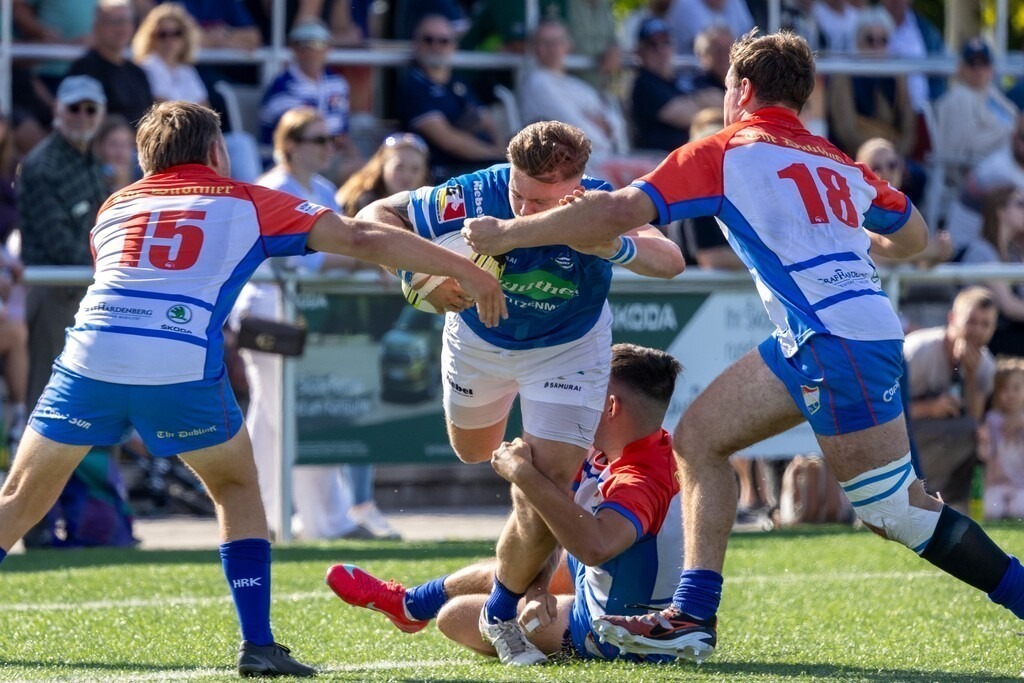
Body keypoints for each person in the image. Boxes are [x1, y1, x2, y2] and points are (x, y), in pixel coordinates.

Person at [463, 30, 1024, 661]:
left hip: (834, 342)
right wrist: (848, 244)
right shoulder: (839, 161)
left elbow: (618, 210)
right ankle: (691, 618)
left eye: (728, 86)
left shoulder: (725, 149)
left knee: (898, 513)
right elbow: (914, 236)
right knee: (699, 439)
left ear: (743, 89)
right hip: (837, 332)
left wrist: (507, 233)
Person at [0, 100, 505, 676]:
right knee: (236, 487)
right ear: (216, 152)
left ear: (145, 160)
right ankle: (258, 645)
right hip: (178, 361)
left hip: (91, 356)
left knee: (20, 497)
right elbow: (361, 237)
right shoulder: (245, 199)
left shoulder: (116, 204)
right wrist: (466, 269)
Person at [358, 119, 684, 665]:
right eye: (519, 194)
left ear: (576, 184)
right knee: (473, 450)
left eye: (542, 202)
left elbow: (669, 260)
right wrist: (416, 270)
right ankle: (477, 593)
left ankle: (499, 610)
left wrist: (612, 245)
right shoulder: (472, 193)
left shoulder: (600, 203)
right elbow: (374, 216)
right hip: (479, 342)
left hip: (568, 348)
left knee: (544, 480)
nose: (526, 209)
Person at [326, 343, 684, 664]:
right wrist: (538, 587)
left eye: (588, 388)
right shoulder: (612, 445)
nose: (578, 397)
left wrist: (523, 474)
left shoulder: (641, 478)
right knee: (514, 567)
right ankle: (410, 604)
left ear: (610, 406)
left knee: (455, 616)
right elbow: (548, 521)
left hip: (619, 632)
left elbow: (595, 546)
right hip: (610, 580)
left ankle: (423, 607)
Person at [904, 287, 998, 512]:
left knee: (979, 435)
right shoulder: (918, 350)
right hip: (904, 435)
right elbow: (881, 408)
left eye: (985, 324)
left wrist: (972, 376)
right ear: (952, 319)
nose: (977, 330)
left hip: (937, 439)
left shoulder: (986, 365)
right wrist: (929, 408)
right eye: (971, 322)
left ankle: (954, 504)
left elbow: (974, 421)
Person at [397, 14, 506, 180]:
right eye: (428, 40)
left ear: (454, 46)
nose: (436, 46)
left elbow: (486, 121)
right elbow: (447, 139)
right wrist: (496, 155)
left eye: (444, 41)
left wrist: (501, 151)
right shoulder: (414, 85)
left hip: (476, 166)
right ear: (416, 43)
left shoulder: (457, 83)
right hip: (442, 174)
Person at [260, 19, 363, 184]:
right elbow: (293, 135)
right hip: (295, 161)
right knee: (358, 174)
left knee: (370, 169)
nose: (313, 51)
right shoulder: (282, 86)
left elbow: (342, 133)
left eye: (320, 44)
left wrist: (355, 157)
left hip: (327, 155)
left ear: (328, 48)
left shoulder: (337, 82)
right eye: (306, 44)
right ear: (294, 49)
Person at [517, 19, 624, 162]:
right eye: (545, 43)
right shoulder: (536, 83)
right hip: (566, 163)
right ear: (534, 48)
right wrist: (603, 135)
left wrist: (606, 126)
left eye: (557, 41)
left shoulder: (577, 85)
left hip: (598, 157)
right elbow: (573, 126)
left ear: (568, 46)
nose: (552, 48)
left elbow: (615, 121)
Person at [68, 0, 154, 128]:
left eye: (126, 21)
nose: (121, 27)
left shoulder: (137, 72)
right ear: (97, 26)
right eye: (114, 21)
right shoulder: (84, 69)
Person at [960, 186, 1024, 357]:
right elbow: (1009, 306)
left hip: (1007, 331)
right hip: (984, 335)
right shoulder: (981, 251)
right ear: (1000, 211)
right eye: (1020, 204)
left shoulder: (1014, 254)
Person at [335, 132, 431, 217]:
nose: (407, 176)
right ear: (382, 166)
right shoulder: (359, 199)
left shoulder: (430, 208)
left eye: (415, 169)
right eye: (399, 167)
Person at [132, 1, 209, 106]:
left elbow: (205, 105)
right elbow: (164, 108)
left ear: (185, 36)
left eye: (177, 33)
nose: (169, 39)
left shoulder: (187, 70)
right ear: (150, 37)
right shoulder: (146, 68)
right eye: (162, 34)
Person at [977, 356, 1024, 521]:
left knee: (1020, 509)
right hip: (996, 483)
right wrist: (983, 442)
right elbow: (985, 455)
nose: (1010, 394)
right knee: (992, 511)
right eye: (1004, 389)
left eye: (1016, 388)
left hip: (1020, 485)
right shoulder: (992, 420)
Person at [93, 114, 137, 192]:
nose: (120, 153)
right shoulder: (92, 181)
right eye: (113, 144)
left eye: (126, 144)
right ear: (99, 146)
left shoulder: (140, 178)